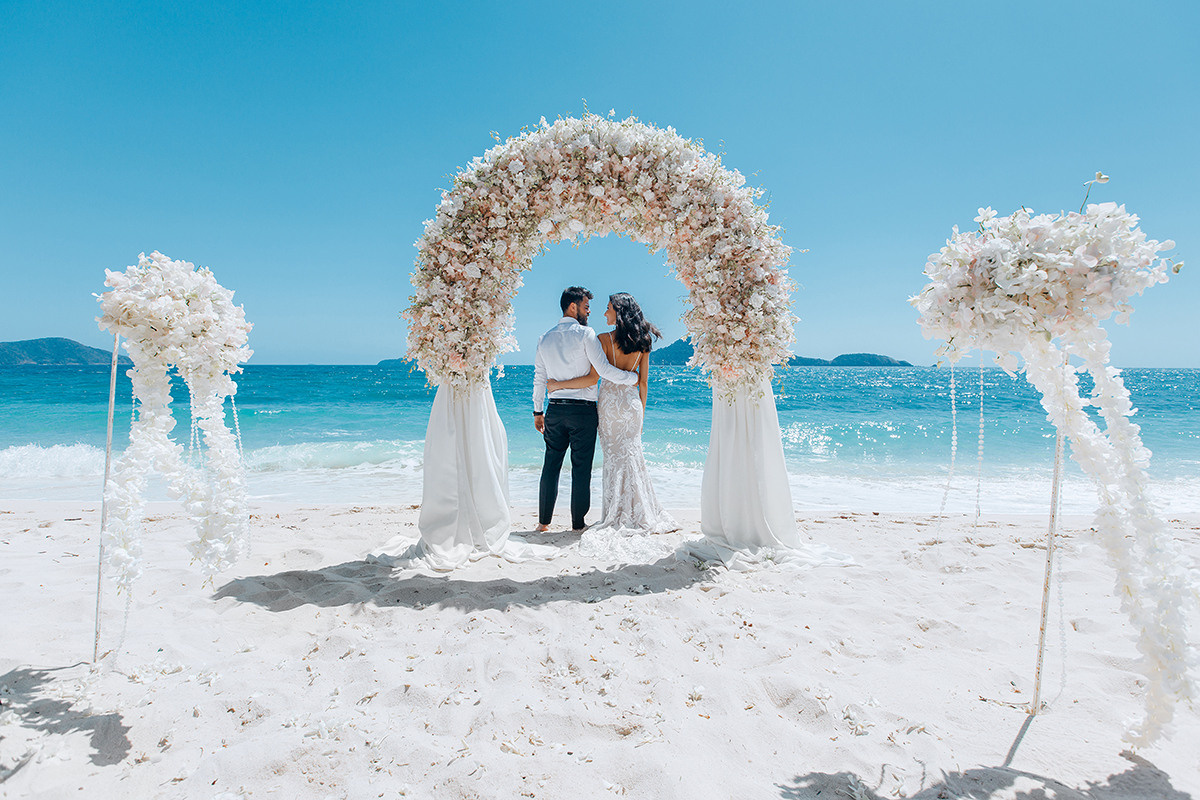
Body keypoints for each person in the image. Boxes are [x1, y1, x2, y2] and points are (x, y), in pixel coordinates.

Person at [546, 292, 678, 535]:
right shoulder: (643, 340)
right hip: (632, 405)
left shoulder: (603, 339)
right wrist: (641, 414)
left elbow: (594, 377)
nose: (604, 312)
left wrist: (557, 385)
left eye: (608, 308)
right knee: (633, 457)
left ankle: (615, 512)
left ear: (619, 312)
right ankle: (639, 510)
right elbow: (643, 383)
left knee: (614, 459)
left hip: (609, 407)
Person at [533, 286, 639, 532]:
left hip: (555, 409)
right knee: (581, 469)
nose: (589, 311)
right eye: (586, 306)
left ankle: (543, 523)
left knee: (551, 465)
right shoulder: (586, 334)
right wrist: (632, 378)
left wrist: (538, 412)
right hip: (583, 412)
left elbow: (540, 378)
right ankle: (577, 524)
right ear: (573, 307)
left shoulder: (544, 338)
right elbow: (603, 371)